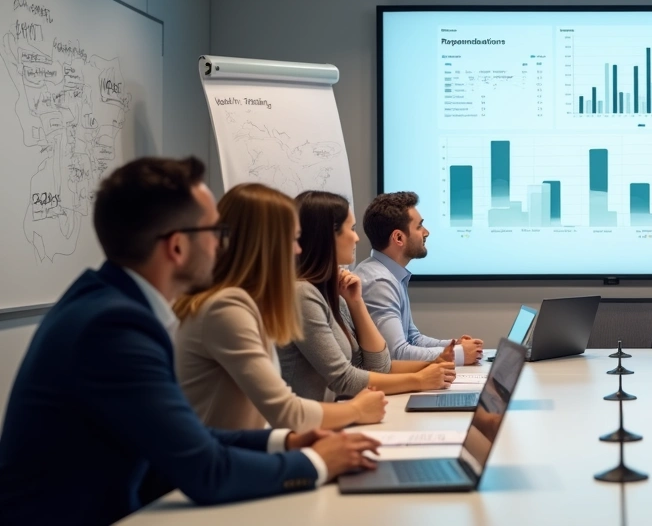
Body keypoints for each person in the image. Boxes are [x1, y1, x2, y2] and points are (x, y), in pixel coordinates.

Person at [0, 157, 379, 524]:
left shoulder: (110, 305)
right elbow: (205, 471)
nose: (222, 244)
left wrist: (283, 444)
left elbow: (188, 437)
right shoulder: (114, 328)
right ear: (177, 247)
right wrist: (317, 462)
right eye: (216, 232)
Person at [174, 183, 387, 431]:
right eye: (293, 239)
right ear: (265, 243)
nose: (298, 249)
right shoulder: (225, 308)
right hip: (226, 461)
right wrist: (356, 410)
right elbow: (285, 412)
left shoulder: (241, 302)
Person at [279, 190, 455, 401]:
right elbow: (345, 379)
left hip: (330, 417)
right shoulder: (302, 295)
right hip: (310, 426)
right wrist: (420, 380)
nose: (357, 238)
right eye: (351, 229)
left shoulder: (333, 291)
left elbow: (377, 366)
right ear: (327, 237)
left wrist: (356, 303)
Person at [354, 191, 483, 364]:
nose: (426, 232)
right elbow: (396, 353)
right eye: (419, 226)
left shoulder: (391, 274)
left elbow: (413, 338)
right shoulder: (379, 282)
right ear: (399, 237)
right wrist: (458, 355)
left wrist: (453, 346)